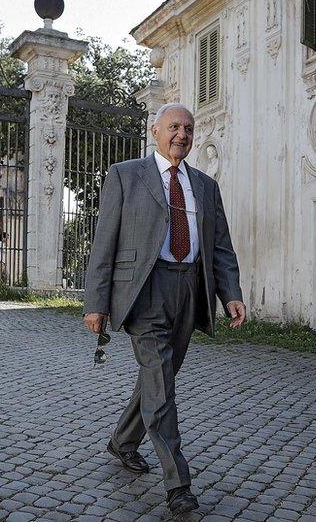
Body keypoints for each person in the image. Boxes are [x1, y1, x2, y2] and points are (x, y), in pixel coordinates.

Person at [82, 102, 247, 515]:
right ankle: (178, 485)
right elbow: (105, 242)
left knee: (159, 377)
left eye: (189, 129)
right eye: (174, 127)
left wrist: (231, 294)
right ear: (154, 130)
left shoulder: (206, 186)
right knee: (162, 383)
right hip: (145, 290)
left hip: (190, 290)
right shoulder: (125, 175)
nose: (182, 135)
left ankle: (122, 441)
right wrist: (96, 302)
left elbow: (220, 247)